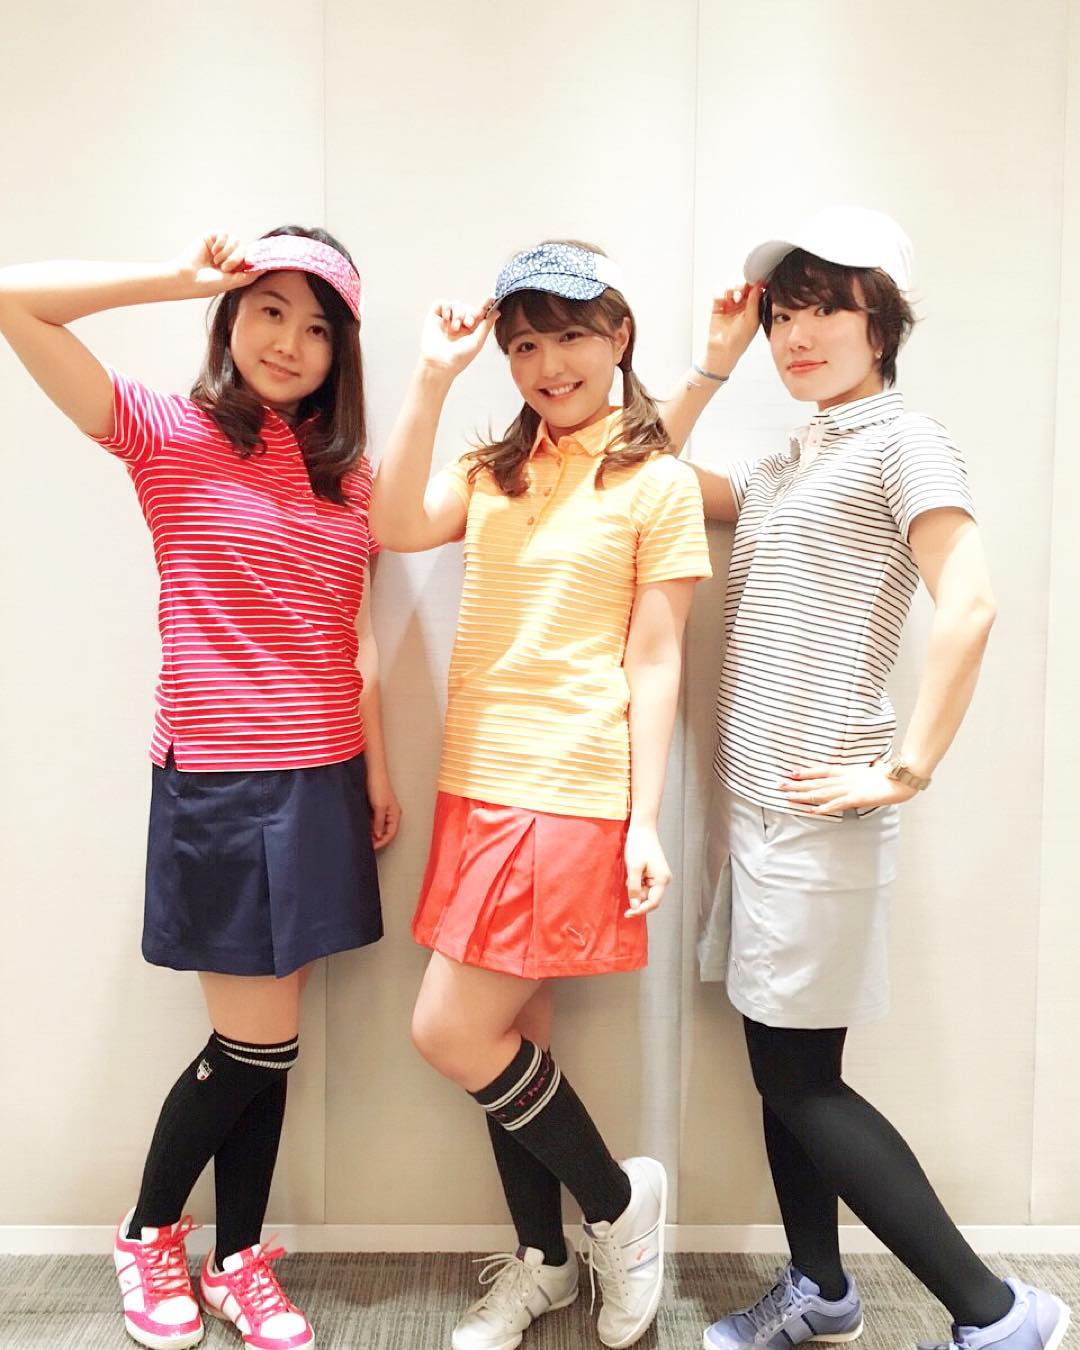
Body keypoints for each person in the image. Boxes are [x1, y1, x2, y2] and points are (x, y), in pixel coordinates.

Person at [667, 205, 1070, 1350]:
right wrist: (714, 359)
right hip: (759, 811)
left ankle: (1000, 1313)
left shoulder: (906, 442)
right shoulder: (789, 458)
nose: (797, 336)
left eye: (825, 311)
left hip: (817, 816)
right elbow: (638, 468)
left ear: (881, 323)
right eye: (783, 316)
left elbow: (970, 604)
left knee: (803, 1083)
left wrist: (906, 768)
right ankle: (822, 1290)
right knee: (780, 1071)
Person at [0, 226, 399, 1350]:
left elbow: (357, 635)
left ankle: (236, 1260)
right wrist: (180, 278)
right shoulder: (170, 434)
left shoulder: (346, 476)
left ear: (341, 354)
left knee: (273, 1042)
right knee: (254, 1043)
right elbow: (15, 300)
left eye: (317, 327)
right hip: (222, 779)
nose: (290, 342)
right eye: (268, 309)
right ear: (230, 317)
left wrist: (375, 767)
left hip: (323, 778)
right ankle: (145, 1235)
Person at [370, 240, 712, 1350]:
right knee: (512, 1033)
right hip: (475, 779)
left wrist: (645, 820)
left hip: (566, 789)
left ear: (619, 336)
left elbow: (656, 657)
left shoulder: (657, 483)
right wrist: (433, 376)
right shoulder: (494, 469)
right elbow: (392, 525)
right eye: (524, 345)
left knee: (447, 1031)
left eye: (570, 335)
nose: (548, 364)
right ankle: (545, 1262)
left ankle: (618, 1205)